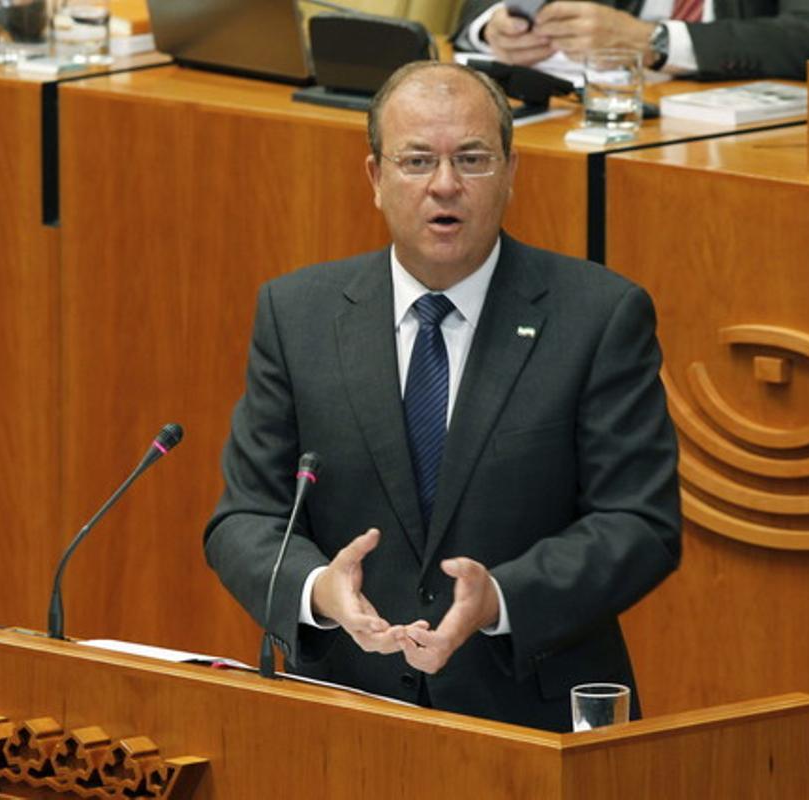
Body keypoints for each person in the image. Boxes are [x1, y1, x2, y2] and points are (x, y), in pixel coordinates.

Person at [203, 61, 681, 732]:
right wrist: (319, 591)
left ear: (513, 171)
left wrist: (501, 600)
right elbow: (246, 519)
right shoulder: (297, 314)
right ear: (375, 177)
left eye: (474, 159)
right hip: (346, 711)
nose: (446, 185)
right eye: (418, 160)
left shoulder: (598, 316)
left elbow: (640, 524)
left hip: (532, 718)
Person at [454, 0, 809, 81]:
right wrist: (495, 27)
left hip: (754, 133)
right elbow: (480, 9)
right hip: (603, 108)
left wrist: (656, 41)